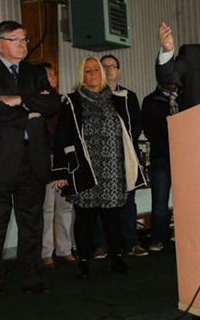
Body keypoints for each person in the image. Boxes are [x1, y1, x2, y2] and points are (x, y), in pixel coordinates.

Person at [0, 21, 61, 304]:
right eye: (15, 39)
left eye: (25, 39)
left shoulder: (35, 72)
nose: (23, 44)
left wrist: (17, 99)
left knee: (32, 225)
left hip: (31, 159)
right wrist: (30, 108)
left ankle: (31, 279)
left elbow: (53, 104)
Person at [51, 57, 146, 280]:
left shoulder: (118, 99)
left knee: (112, 217)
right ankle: (83, 263)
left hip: (113, 169)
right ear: (81, 75)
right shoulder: (72, 102)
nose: (92, 74)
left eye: (96, 70)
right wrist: (61, 171)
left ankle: (117, 259)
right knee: (84, 218)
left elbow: (129, 134)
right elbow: (61, 136)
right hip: (85, 170)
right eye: (87, 71)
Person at [91, 54, 148, 258]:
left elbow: (137, 123)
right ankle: (102, 245)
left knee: (128, 202)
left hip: (126, 158)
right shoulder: (92, 96)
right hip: (102, 159)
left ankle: (132, 243)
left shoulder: (128, 96)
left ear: (119, 71)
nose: (108, 70)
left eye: (112, 66)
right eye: (104, 67)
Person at [39, 62, 76, 268]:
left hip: (62, 159)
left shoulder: (64, 102)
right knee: (46, 207)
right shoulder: (35, 102)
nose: (52, 77)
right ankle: (45, 252)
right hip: (43, 158)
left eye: (53, 73)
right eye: (47, 74)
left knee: (65, 205)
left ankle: (65, 249)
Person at [142, 83, 178, 251]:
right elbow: (149, 130)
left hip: (185, 157)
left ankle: (183, 234)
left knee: (188, 200)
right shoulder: (150, 100)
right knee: (160, 201)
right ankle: (158, 238)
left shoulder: (185, 97)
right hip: (161, 157)